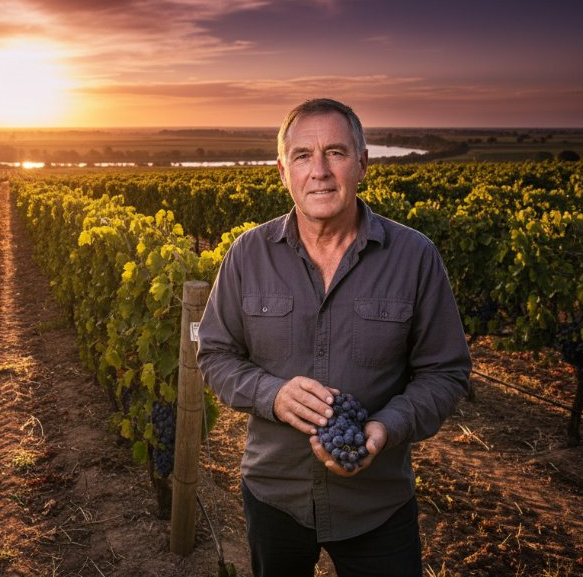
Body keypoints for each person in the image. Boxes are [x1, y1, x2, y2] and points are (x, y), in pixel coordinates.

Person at [196, 98, 472, 577]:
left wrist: (387, 427)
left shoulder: (414, 257)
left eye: (336, 153)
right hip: (274, 495)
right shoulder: (247, 255)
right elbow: (216, 353)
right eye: (303, 156)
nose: (319, 171)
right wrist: (272, 394)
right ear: (283, 171)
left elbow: (445, 373)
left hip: (378, 505)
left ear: (363, 163)